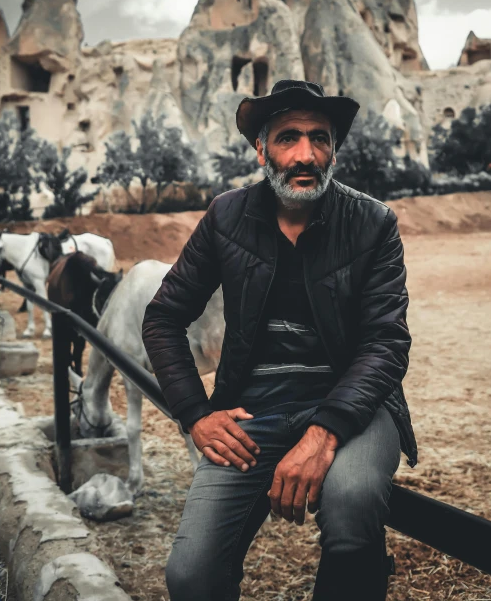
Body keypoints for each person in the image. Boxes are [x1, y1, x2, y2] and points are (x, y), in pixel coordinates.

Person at [142, 79, 417, 601]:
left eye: (320, 138)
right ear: (261, 147)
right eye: (289, 137)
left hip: (352, 408)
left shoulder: (373, 223)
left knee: (354, 502)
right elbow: (162, 318)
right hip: (253, 414)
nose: (306, 154)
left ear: (334, 148)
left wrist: (323, 433)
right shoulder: (226, 216)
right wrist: (196, 414)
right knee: (191, 574)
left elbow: (386, 341)